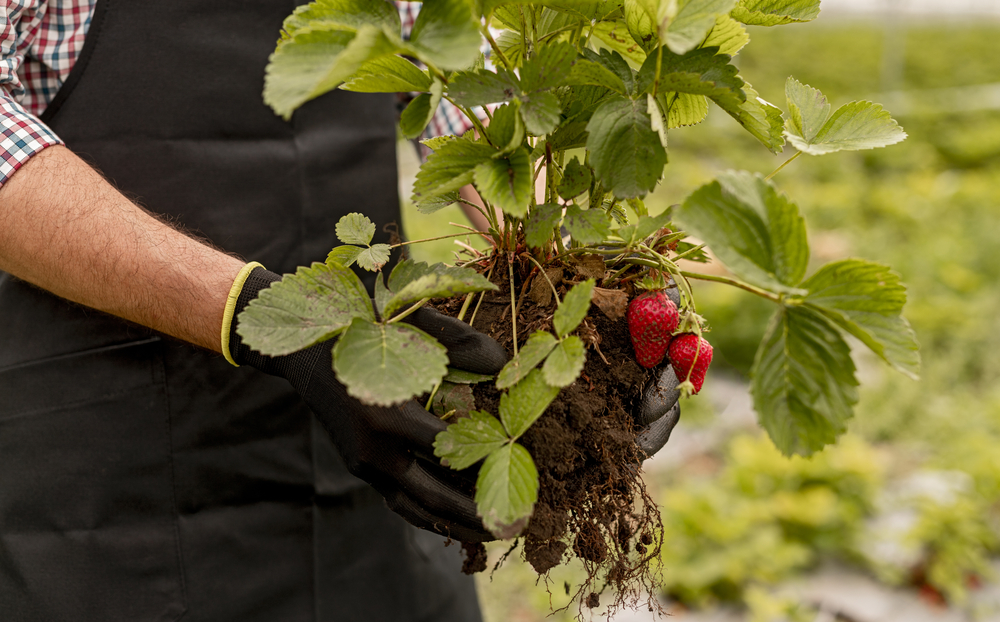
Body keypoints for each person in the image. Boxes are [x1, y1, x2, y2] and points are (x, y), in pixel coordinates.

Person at [0, 1, 680, 620]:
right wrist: (258, 316)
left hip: (382, 455)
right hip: (122, 497)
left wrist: (577, 296)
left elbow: (462, 81)